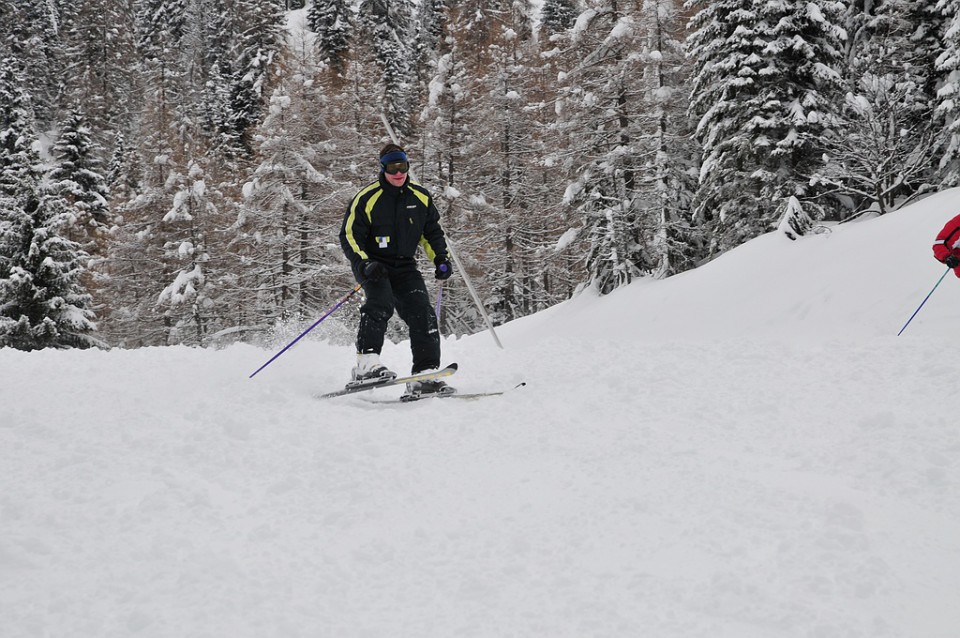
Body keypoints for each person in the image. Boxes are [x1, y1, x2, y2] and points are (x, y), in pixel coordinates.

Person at [339, 144, 454, 398]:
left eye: (402, 166)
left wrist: (441, 259)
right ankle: (365, 364)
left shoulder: (420, 197)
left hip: (404, 265)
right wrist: (364, 263)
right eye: (393, 167)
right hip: (373, 265)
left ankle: (425, 373)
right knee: (380, 302)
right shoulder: (367, 198)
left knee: (421, 311)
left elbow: (431, 233)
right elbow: (349, 235)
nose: (398, 173)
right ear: (383, 168)